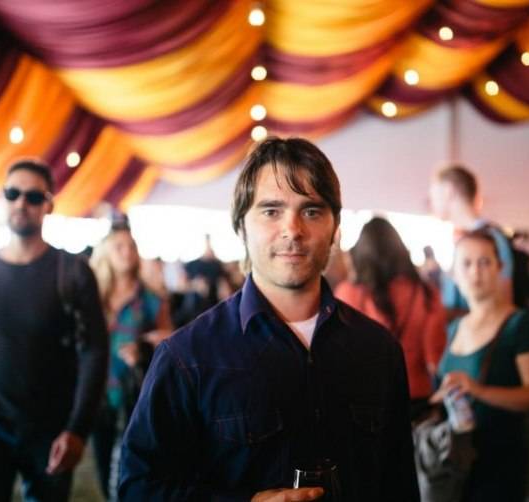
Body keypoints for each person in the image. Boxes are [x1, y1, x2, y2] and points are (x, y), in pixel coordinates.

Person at [119, 138, 419, 501]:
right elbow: (139, 489)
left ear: (335, 229)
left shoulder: (378, 350)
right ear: (241, 227)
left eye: (311, 211)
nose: (293, 229)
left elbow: (400, 484)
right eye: (271, 211)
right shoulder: (188, 357)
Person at [0, 160, 108, 501]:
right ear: (2, 198)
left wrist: (77, 429)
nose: (21, 204)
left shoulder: (72, 272)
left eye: (32, 196)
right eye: (12, 194)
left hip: (50, 426)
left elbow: (94, 351)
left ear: (48, 205)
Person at [434, 230, 529, 501]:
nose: (475, 271)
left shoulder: (521, 325)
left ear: (500, 267)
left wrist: (479, 391)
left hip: (501, 464)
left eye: (484, 262)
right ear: (454, 274)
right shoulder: (456, 327)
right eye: (466, 263)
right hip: (458, 461)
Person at [89, 223, 172, 500]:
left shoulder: (151, 299)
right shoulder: (93, 297)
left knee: (127, 469)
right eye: (119, 247)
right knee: (103, 466)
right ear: (106, 254)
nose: (127, 252)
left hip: (134, 396)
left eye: (132, 246)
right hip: (97, 394)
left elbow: (170, 342)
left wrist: (145, 345)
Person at [335, 217, 447, 418]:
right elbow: (434, 359)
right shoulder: (426, 293)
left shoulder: (348, 293)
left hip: (367, 400)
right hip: (417, 397)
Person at [428, 165, 514, 316]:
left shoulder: (491, 238)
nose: (432, 203)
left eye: (434, 196)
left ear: (449, 191)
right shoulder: (458, 239)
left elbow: (502, 305)